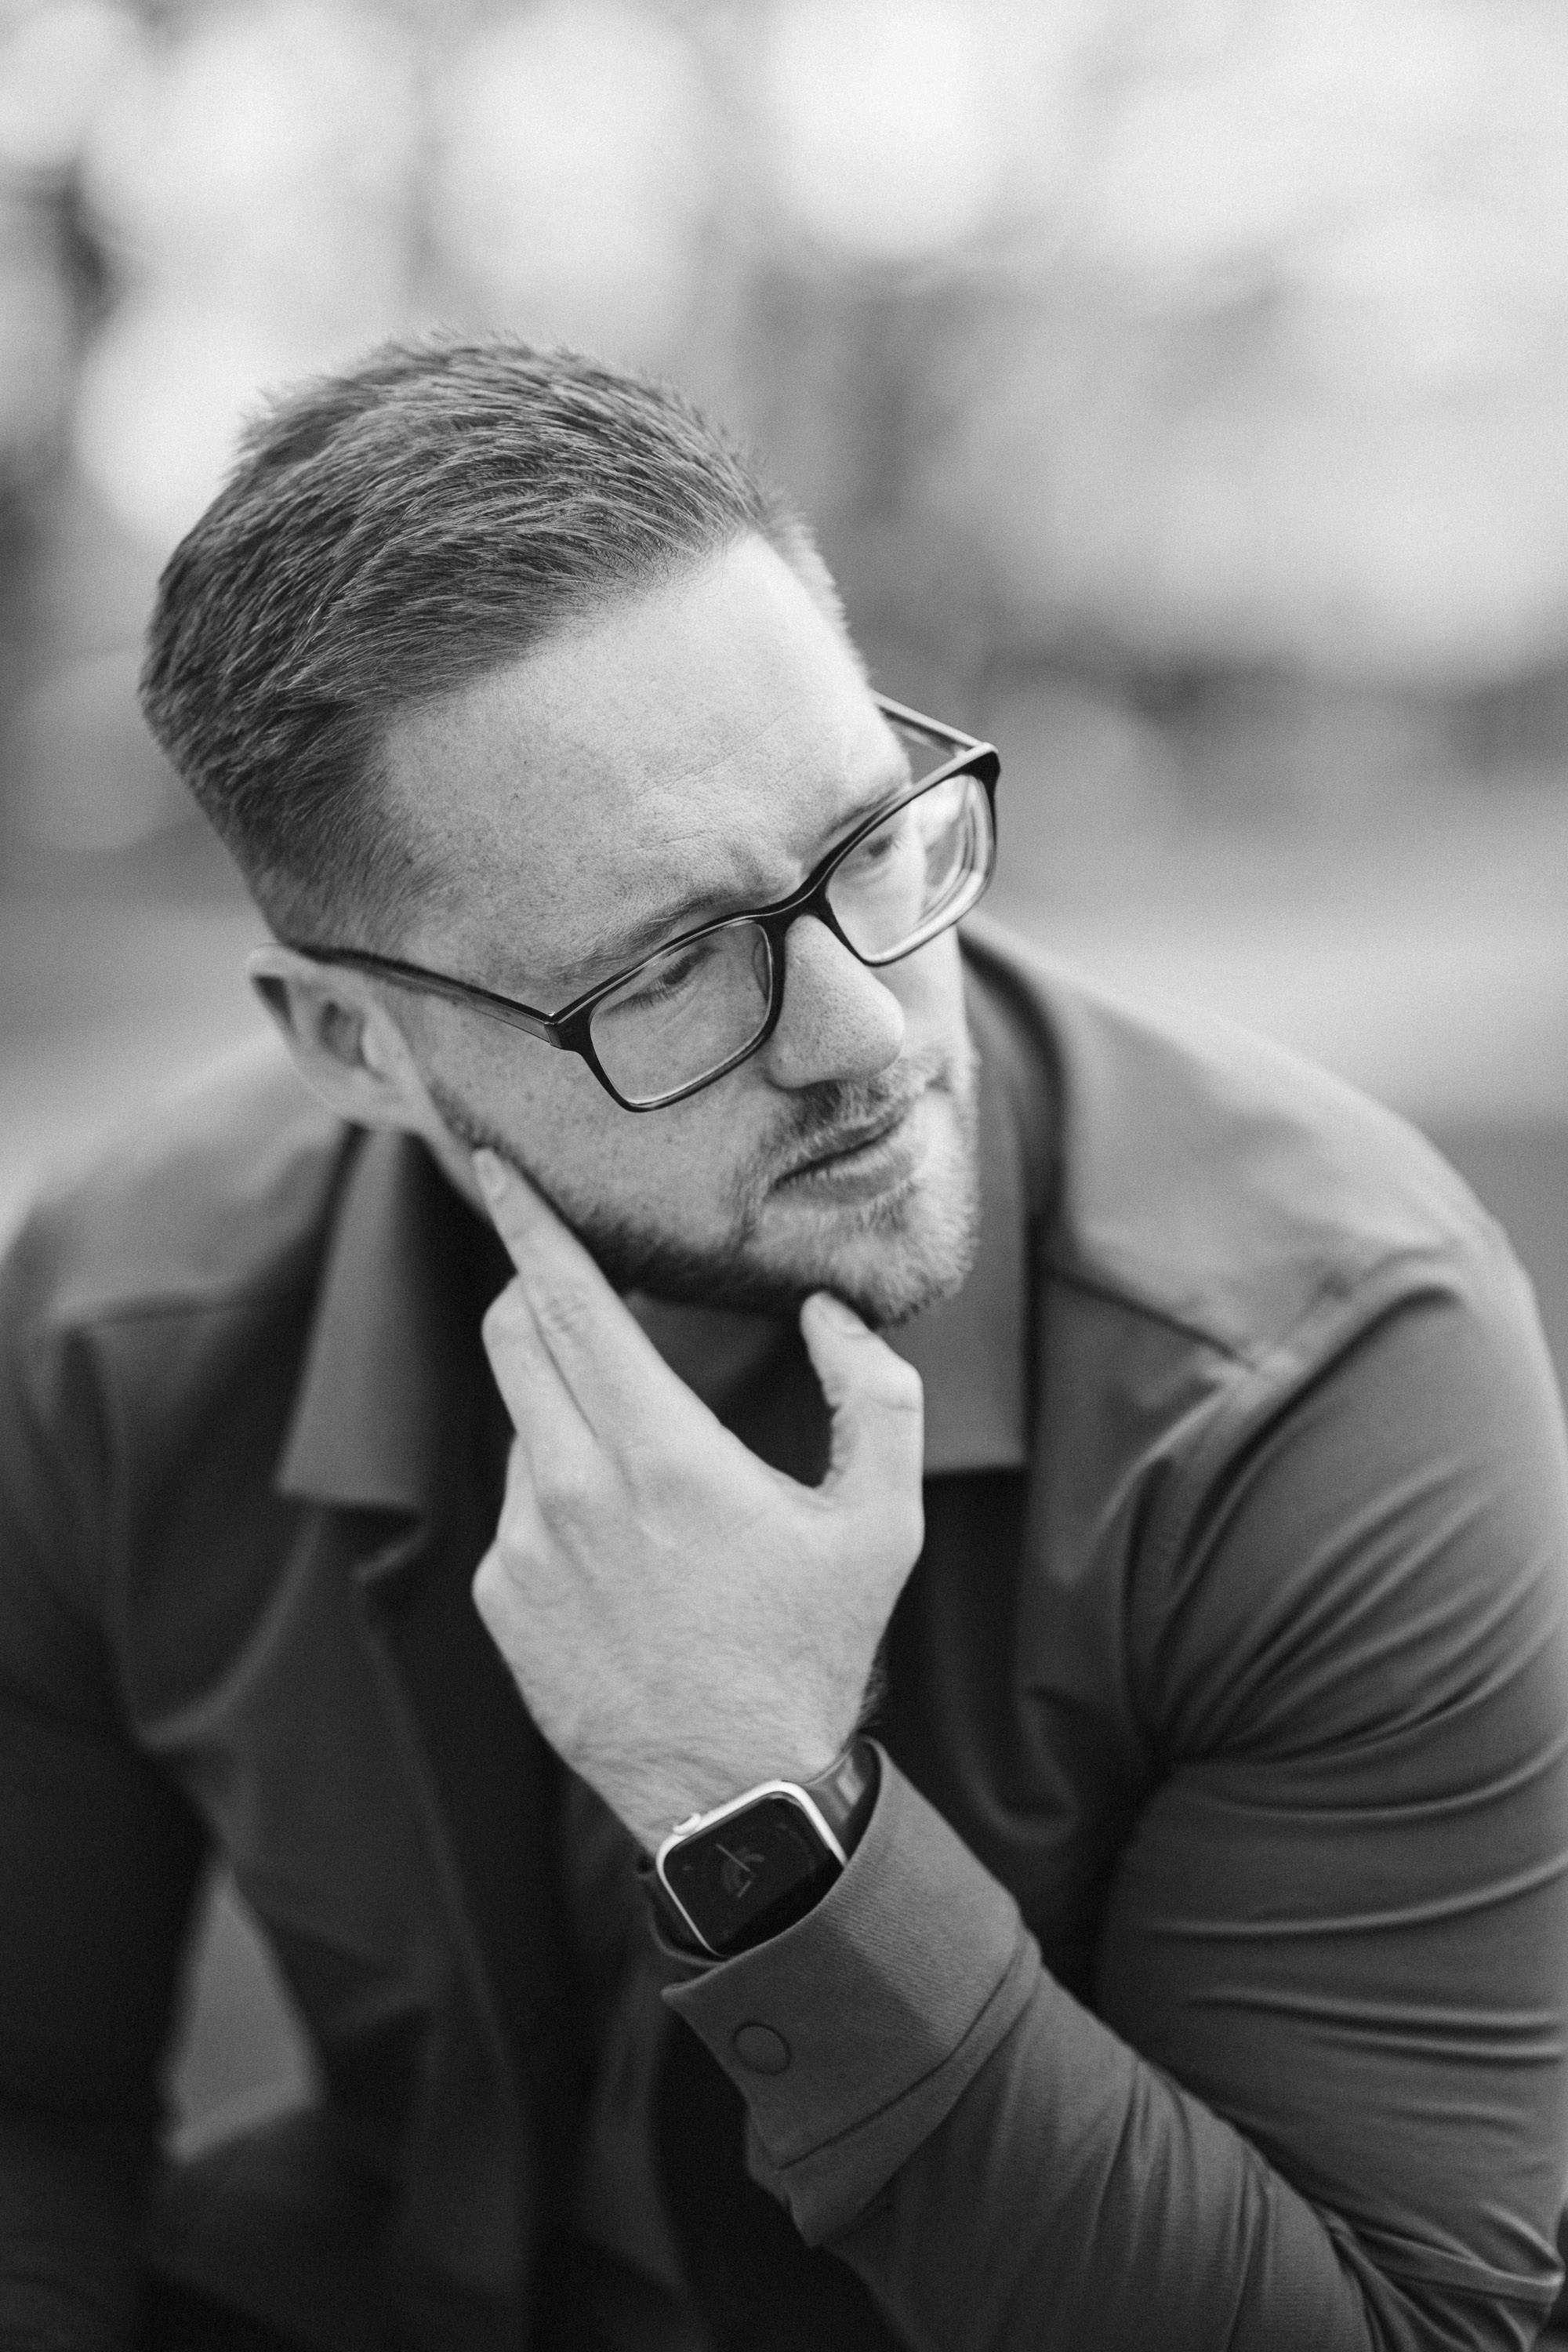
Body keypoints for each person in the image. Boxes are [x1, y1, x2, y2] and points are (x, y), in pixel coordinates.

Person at [3, 336, 1568, 2352]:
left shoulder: (1319, 1378)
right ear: (352, 1047)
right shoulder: (118, 1327)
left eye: (870, 841)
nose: (867, 1033)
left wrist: (770, 1820)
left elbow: (1415, 2332)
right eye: (667, 966)